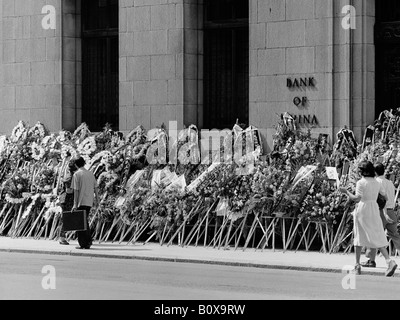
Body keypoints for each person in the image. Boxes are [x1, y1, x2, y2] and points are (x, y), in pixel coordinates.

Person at [339, 160, 397, 277]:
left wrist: (346, 192)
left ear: (363, 171)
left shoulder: (361, 182)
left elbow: (356, 198)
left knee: (359, 236)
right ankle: (389, 261)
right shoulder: (376, 182)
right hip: (374, 208)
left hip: (363, 208)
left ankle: (357, 264)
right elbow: (385, 196)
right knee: (376, 234)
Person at [361, 163, 400, 268]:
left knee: (374, 235)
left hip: (380, 212)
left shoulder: (375, 182)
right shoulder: (390, 183)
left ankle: (371, 260)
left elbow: (380, 200)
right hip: (391, 211)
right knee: (395, 236)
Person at [71, 157, 99, 249]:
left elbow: (76, 190)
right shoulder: (90, 173)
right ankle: (87, 242)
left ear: (76, 165)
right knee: (85, 222)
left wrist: (75, 204)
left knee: (81, 223)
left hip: (80, 201)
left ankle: (84, 243)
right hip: (89, 201)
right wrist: (97, 201)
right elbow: (96, 188)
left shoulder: (77, 174)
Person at [58, 159, 77, 245]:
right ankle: (62, 237)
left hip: (66, 199)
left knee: (66, 217)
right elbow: (69, 190)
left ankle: (62, 236)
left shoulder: (70, 176)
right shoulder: (70, 177)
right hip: (67, 200)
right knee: (66, 218)